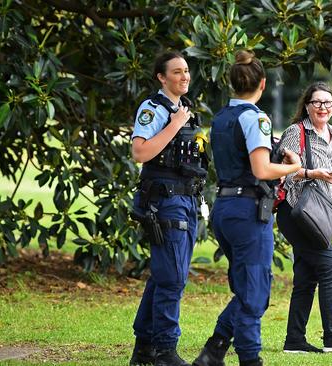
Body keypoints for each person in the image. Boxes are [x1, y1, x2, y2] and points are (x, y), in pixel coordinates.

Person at [192, 50, 301, 366]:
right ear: (262, 84)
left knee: (250, 289)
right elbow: (261, 170)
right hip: (248, 210)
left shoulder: (222, 116)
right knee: (254, 292)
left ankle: (213, 351)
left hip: (224, 207)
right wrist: (291, 168)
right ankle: (250, 359)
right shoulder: (256, 118)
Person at [129, 50, 208, 366]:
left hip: (187, 200)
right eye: (176, 72)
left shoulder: (186, 110)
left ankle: (144, 350)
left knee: (165, 276)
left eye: (186, 70)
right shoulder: (153, 109)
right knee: (172, 278)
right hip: (164, 202)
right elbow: (140, 151)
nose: (184, 76)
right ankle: (165, 351)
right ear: (162, 77)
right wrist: (174, 124)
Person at [275, 81, 332, 353]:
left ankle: (295, 340)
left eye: (328, 103)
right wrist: (312, 174)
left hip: (320, 216)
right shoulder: (296, 132)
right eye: (317, 102)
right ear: (307, 106)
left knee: (305, 276)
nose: (323, 107)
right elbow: (283, 172)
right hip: (296, 213)